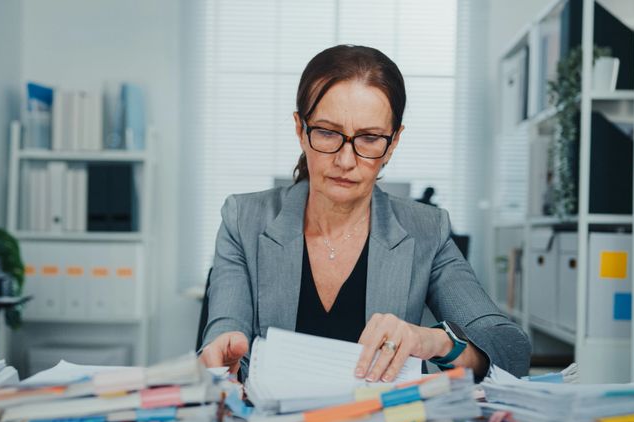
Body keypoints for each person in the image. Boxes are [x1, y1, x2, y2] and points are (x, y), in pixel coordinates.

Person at [199, 44, 530, 382]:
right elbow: (225, 328)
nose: (345, 161)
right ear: (301, 129)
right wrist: (221, 350)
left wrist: (433, 340)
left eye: (370, 138)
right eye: (327, 133)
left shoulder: (427, 230)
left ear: (394, 142)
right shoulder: (243, 219)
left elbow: (511, 351)